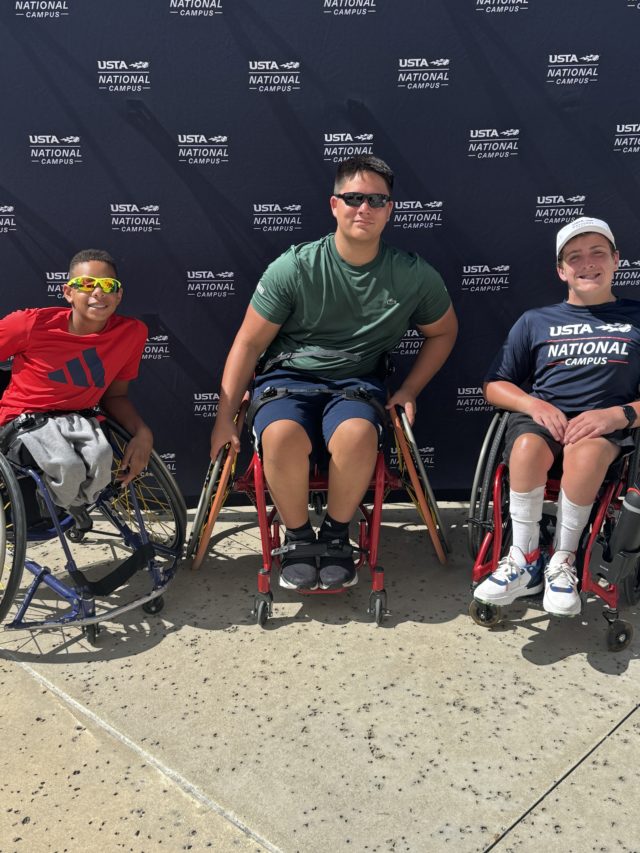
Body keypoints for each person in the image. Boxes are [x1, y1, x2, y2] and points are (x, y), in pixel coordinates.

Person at [210, 154, 457, 591]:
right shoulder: (296, 266)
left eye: (377, 200)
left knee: (359, 435)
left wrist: (411, 389)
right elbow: (248, 343)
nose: (365, 208)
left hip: (357, 384)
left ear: (390, 209)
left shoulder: (413, 275)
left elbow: (443, 332)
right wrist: (223, 418)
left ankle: (338, 535)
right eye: (354, 198)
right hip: (287, 379)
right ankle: (300, 538)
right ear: (334, 205)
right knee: (281, 434)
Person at [474, 216, 640, 617]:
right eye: (574, 257)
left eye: (597, 253)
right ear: (561, 270)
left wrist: (618, 415)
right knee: (528, 446)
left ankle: (562, 561)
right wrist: (534, 404)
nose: (587, 263)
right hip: (543, 420)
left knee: (585, 454)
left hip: (605, 431)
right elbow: (495, 385)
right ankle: (523, 558)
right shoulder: (536, 320)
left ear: (616, 260)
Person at [0, 248, 153, 525]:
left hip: (78, 418)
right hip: (24, 420)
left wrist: (142, 432)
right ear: (68, 292)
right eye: (85, 284)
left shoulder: (132, 333)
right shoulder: (30, 324)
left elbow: (115, 395)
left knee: (102, 456)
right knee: (68, 466)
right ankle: (54, 510)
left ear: (118, 295)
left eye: (108, 286)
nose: (98, 292)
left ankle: (73, 506)